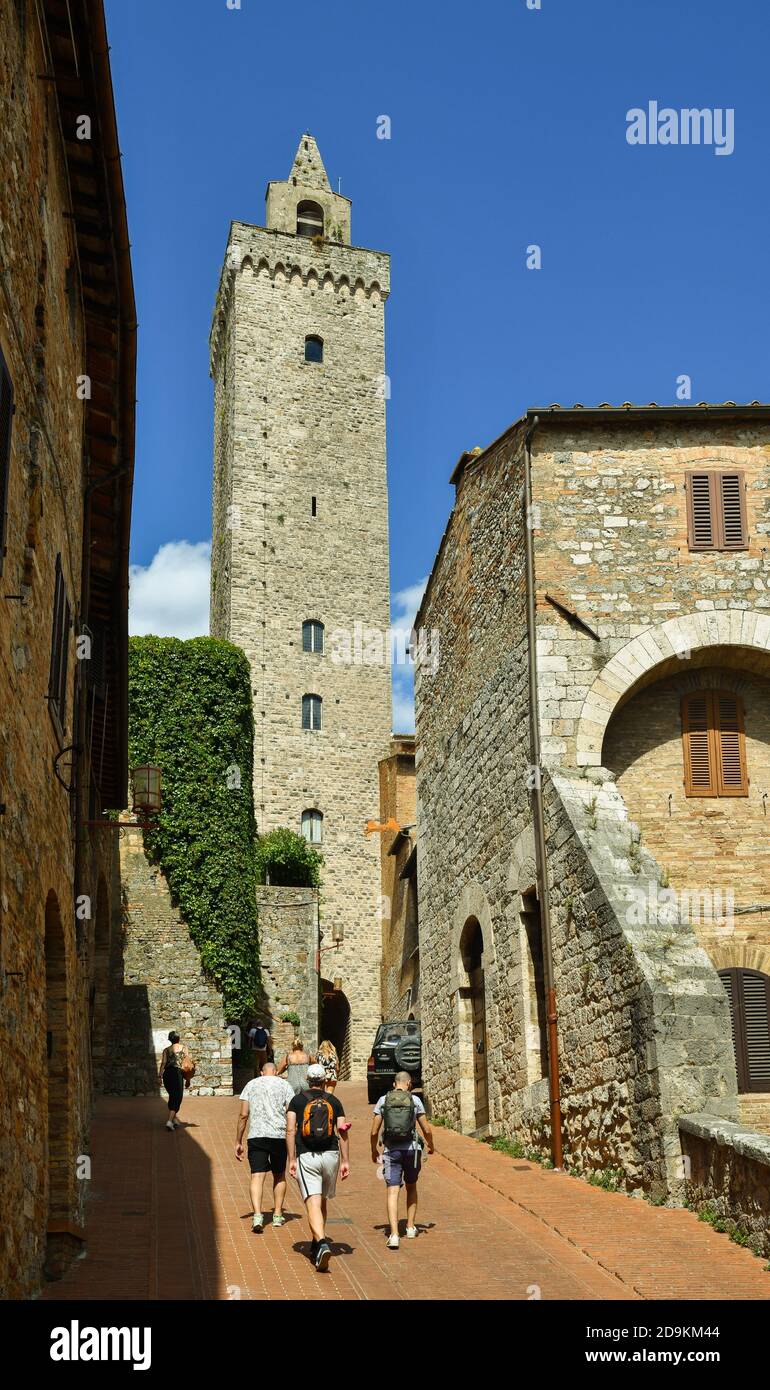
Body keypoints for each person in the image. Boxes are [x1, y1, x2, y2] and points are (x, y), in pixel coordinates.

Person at [286, 1062, 349, 1271]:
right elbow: (342, 1131)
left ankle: (321, 1242)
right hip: (331, 1154)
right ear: (324, 1081)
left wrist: (291, 1159)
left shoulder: (297, 1101)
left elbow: (290, 1130)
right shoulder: (334, 1101)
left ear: (307, 1080)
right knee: (322, 1199)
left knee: (312, 1201)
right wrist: (346, 1161)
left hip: (307, 1155)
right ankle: (316, 1241)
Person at [371, 1071, 434, 1248]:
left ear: (394, 1084)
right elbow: (426, 1129)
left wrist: (373, 1150)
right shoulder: (415, 1101)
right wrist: (431, 1145)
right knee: (412, 1186)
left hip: (391, 1151)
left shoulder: (383, 1100)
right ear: (409, 1084)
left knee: (392, 1191)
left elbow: (374, 1131)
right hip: (412, 1151)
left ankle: (394, 1234)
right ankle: (411, 1227)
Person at [236, 1061, 295, 1231]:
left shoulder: (251, 1085)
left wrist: (238, 1140)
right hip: (278, 1135)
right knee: (279, 1175)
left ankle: (257, 1216)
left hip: (257, 1135)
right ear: (276, 1072)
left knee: (257, 1176)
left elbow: (243, 1115)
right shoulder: (285, 1085)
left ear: (262, 1072)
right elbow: (291, 1112)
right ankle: (277, 1215)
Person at [159, 1031, 191, 1131]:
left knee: (172, 1096)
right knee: (177, 1097)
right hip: (177, 1074)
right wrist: (188, 1079)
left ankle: (174, 1119)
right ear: (179, 1038)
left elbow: (163, 1063)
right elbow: (187, 1065)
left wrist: (159, 1076)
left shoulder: (166, 1050)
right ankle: (169, 1121)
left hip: (167, 1074)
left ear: (170, 1040)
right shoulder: (184, 1048)